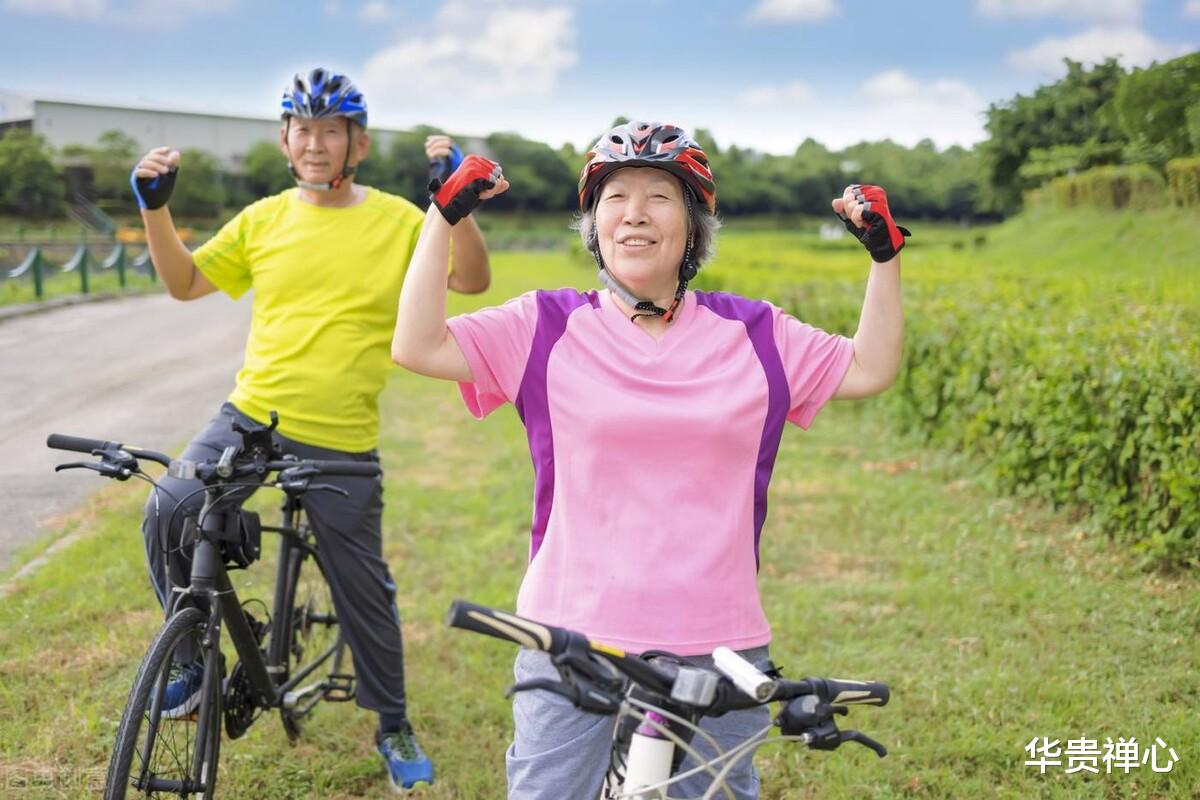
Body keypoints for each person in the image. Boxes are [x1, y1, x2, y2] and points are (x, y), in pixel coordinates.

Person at [391, 120, 908, 799]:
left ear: (693, 226)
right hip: (570, 636)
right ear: (595, 225)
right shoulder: (545, 326)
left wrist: (884, 258)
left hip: (719, 642)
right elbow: (417, 344)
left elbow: (869, 367)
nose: (634, 213)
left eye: (659, 196)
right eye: (615, 197)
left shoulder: (754, 333)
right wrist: (443, 216)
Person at [131, 67, 492, 792]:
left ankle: (391, 722)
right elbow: (186, 283)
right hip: (250, 415)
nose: (316, 142)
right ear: (285, 140)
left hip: (340, 435)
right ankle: (192, 660)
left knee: (364, 590)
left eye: (332, 130)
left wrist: (455, 208)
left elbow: (473, 281)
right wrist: (154, 211)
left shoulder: (395, 218)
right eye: (303, 129)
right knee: (168, 506)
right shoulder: (265, 217)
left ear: (356, 143)